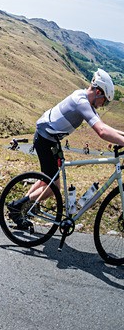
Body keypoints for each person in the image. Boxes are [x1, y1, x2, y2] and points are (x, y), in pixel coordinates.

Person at [7, 69, 124, 229]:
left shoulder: (84, 99)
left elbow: (104, 126)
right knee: (53, 187)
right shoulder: (81, 102)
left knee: (47, 181)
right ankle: (17, 206)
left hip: (49, 138)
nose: (104, 104)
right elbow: (102, 131)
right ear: (98, 92)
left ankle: (22, 207)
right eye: (105, 100)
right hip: (45, 139)